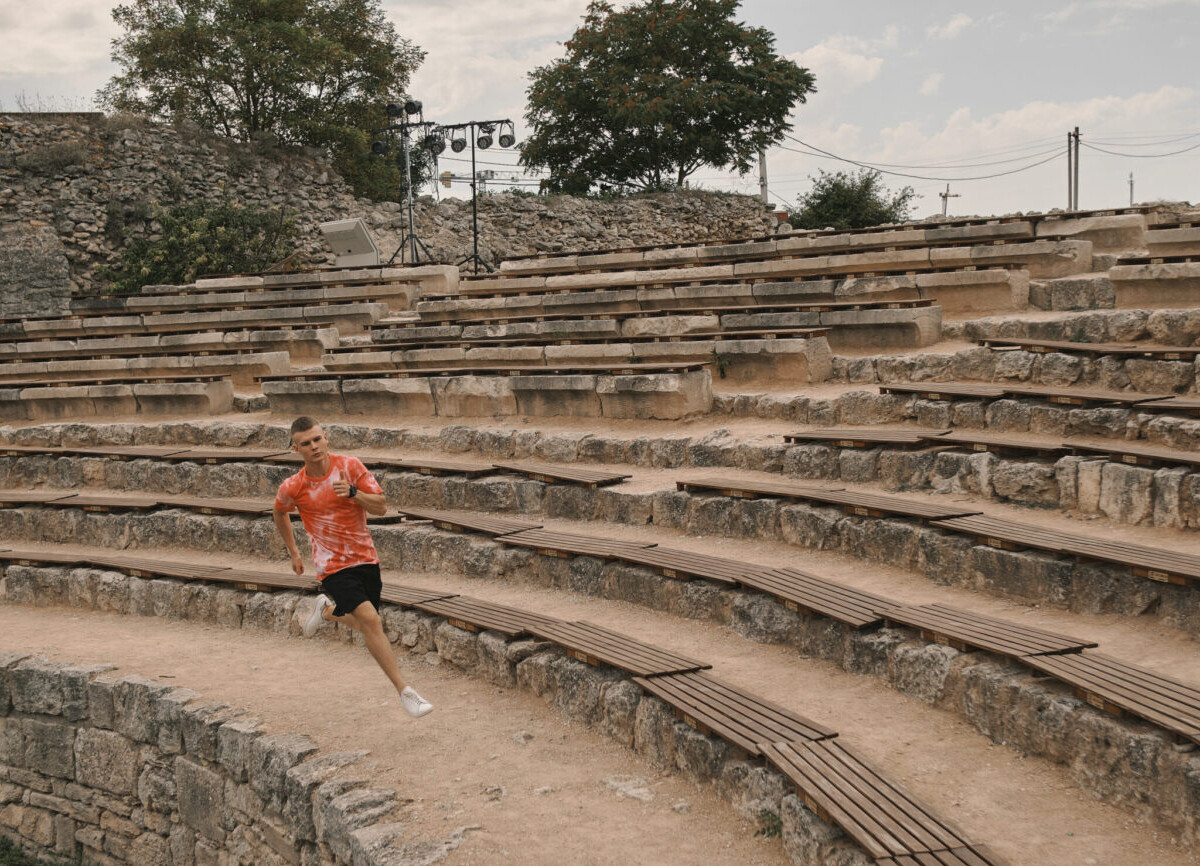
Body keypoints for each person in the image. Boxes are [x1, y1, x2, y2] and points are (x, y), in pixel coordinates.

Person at [272, 416, 433, 718]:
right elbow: (279, 512)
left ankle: (326, 612)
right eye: (306, 443)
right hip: (331, 565)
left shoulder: (350, 467)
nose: (314, 446)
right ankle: (405, 691)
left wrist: (355, 494)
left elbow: (382, 506)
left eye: (317, 439)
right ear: (296, 449)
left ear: (326, 438)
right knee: (372, 622)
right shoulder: (293, 486)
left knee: (370, 625)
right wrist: (294, 552)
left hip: (365, 558)